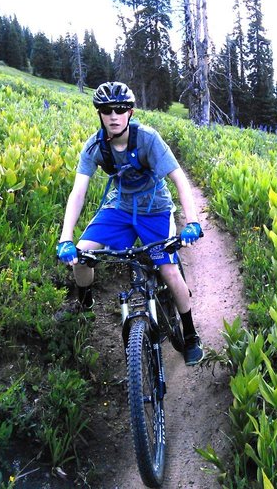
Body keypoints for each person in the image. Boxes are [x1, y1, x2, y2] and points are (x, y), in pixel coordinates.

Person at [56, 81, 204, 366]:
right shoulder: (95, 146)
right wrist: (66, 238)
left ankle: (189, 334)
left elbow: (179, 180)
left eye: (120, 109)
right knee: (82, 256)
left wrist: (193, 222)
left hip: (155, 210)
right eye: (107, 110)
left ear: (130, 112)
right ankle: (85, 303)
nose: (114, 116)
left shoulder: (148, 139)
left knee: (169, 271)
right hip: (120, 208)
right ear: (99, 113)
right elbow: (78, 192)